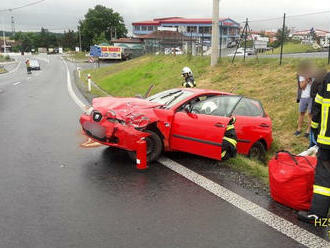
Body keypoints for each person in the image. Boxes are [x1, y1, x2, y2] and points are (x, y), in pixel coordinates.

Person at [297, 72, 330, 223]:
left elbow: (317, 108)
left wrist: (315, 131)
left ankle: (318, 215)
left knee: (324, 179)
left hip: (327, 141)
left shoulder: (327, 78)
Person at [308, 68, 327, 148]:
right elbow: (312, 94)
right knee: (314, 127)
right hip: (316, 108)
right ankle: (312, 144)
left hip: (323, 111)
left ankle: (315, 144)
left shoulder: (325, 85)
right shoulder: (316, 83)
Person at [294, 61, 313, 138]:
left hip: (311, 97)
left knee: (310, 114)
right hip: (303, 97)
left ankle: (308, 131)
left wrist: (310, 78)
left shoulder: (313, 74)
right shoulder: (302, 75)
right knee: (301, 113)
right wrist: (306, 79)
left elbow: (314, 84)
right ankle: (299, 129)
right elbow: (302, 87)